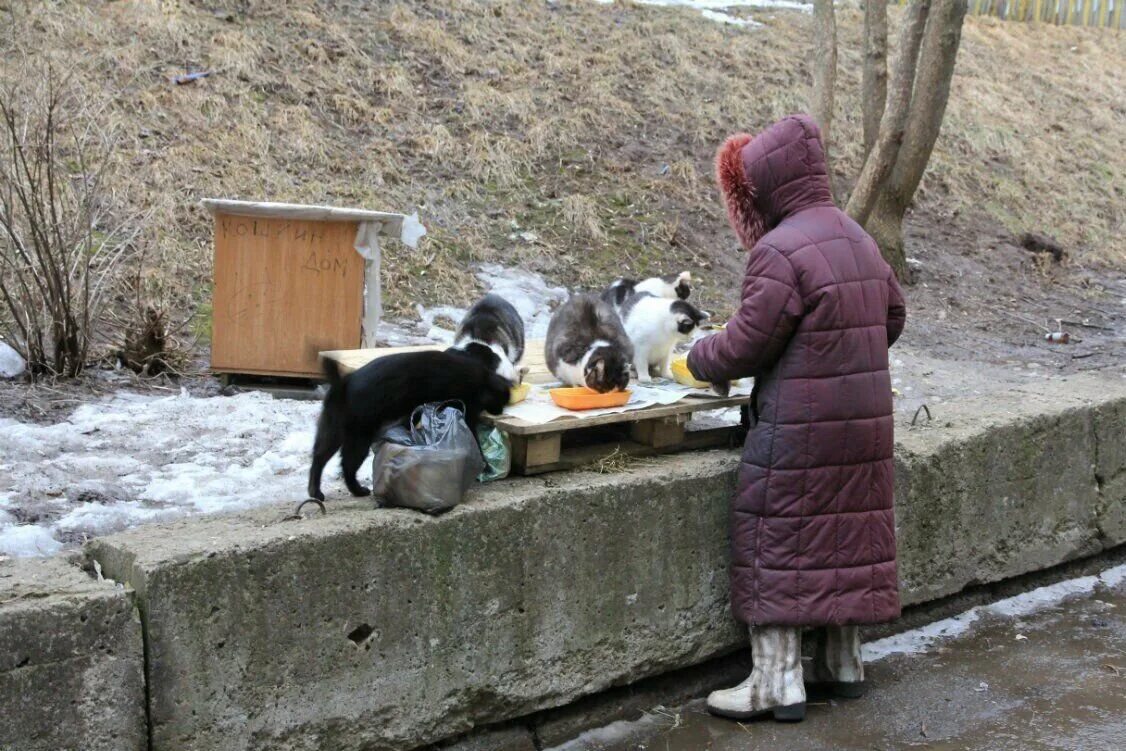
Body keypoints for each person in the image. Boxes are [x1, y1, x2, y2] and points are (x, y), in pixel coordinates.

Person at [687, 114, 906, 722]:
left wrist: (694, 360)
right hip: (865, 422)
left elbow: (744, 346)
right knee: (850, 532)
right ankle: (843, 664)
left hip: (801, 428)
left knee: (774, 530)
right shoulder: (858, 237)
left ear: (769, 184)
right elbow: (893, 316)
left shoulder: (779, 251)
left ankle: (777, 681)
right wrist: (842, 354)